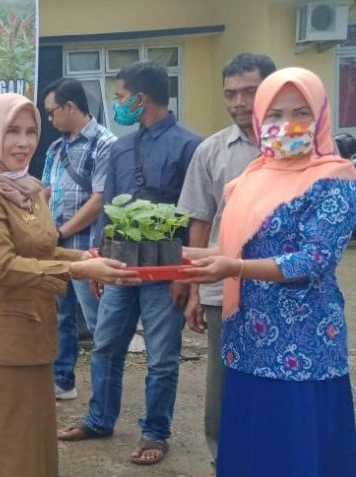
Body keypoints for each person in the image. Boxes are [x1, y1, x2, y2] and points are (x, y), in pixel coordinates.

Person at [0, 92, 140, 477]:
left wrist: (85, 258)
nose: (24, 142)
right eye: (12, 131)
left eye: (31, 131)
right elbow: (2, 265)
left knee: (32, 442)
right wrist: (79, 272)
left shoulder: (26, 189)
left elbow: (45, 249)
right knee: (3, 445)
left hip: (30, 334)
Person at [182, 67, 356, 477]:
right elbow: (230, 244)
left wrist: (235, 267)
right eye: (275, 114)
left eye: (300, 112)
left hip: (303, 344)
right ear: (260, 119)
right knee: (253, 442)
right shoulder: (250, 178)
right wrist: (183, 261)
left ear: (320, 118)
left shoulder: (335, 178)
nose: (286, 124)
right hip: (248, 337)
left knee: (295, 448)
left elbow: (315, 259)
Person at [58, 61, 202, 466]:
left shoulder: (191, 146)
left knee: (162, 357)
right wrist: (99, 261)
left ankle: (156, 431)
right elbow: (107, 212)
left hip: (165, 271)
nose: (118, 105)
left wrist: (185, 277)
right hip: (120, 268)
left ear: (142, 99)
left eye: (120, 98)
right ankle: (99, 419)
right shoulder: (120, 148)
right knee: (105, 347)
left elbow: (195, 217)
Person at [175, 52, 275, 463]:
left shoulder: (296, 150)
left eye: (249, 91)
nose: (238, 102)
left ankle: (273, 452)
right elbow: (200, 223)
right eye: (230, 93)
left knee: (275, 373)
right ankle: (224, 457)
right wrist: (196, 290)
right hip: (224, 285)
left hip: (281, 284)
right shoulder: (211, 150)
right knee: (223, 377)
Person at [41, 78, 117, 400]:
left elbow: (99, 199)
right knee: (60, 317)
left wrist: (62, 232)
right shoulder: (56, 148)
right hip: (57, 248)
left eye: (52, 112)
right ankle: (63, 381)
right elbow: (44, 192)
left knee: (98, 321)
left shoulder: (105, 143)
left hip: (88, 248)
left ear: (70, 107)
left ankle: (104, 392)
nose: (50, 119)